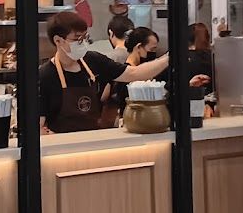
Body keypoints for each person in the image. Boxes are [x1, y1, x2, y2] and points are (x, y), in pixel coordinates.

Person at [39, 11, 169, 134]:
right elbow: (38, 125)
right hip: (63, 148)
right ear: (58, 40)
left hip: (95, 139)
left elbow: (134, 73)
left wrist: (168, 58)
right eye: (78, 38)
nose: (82, 43)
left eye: (85, 37)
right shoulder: (45, 75)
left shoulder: (94, 60)